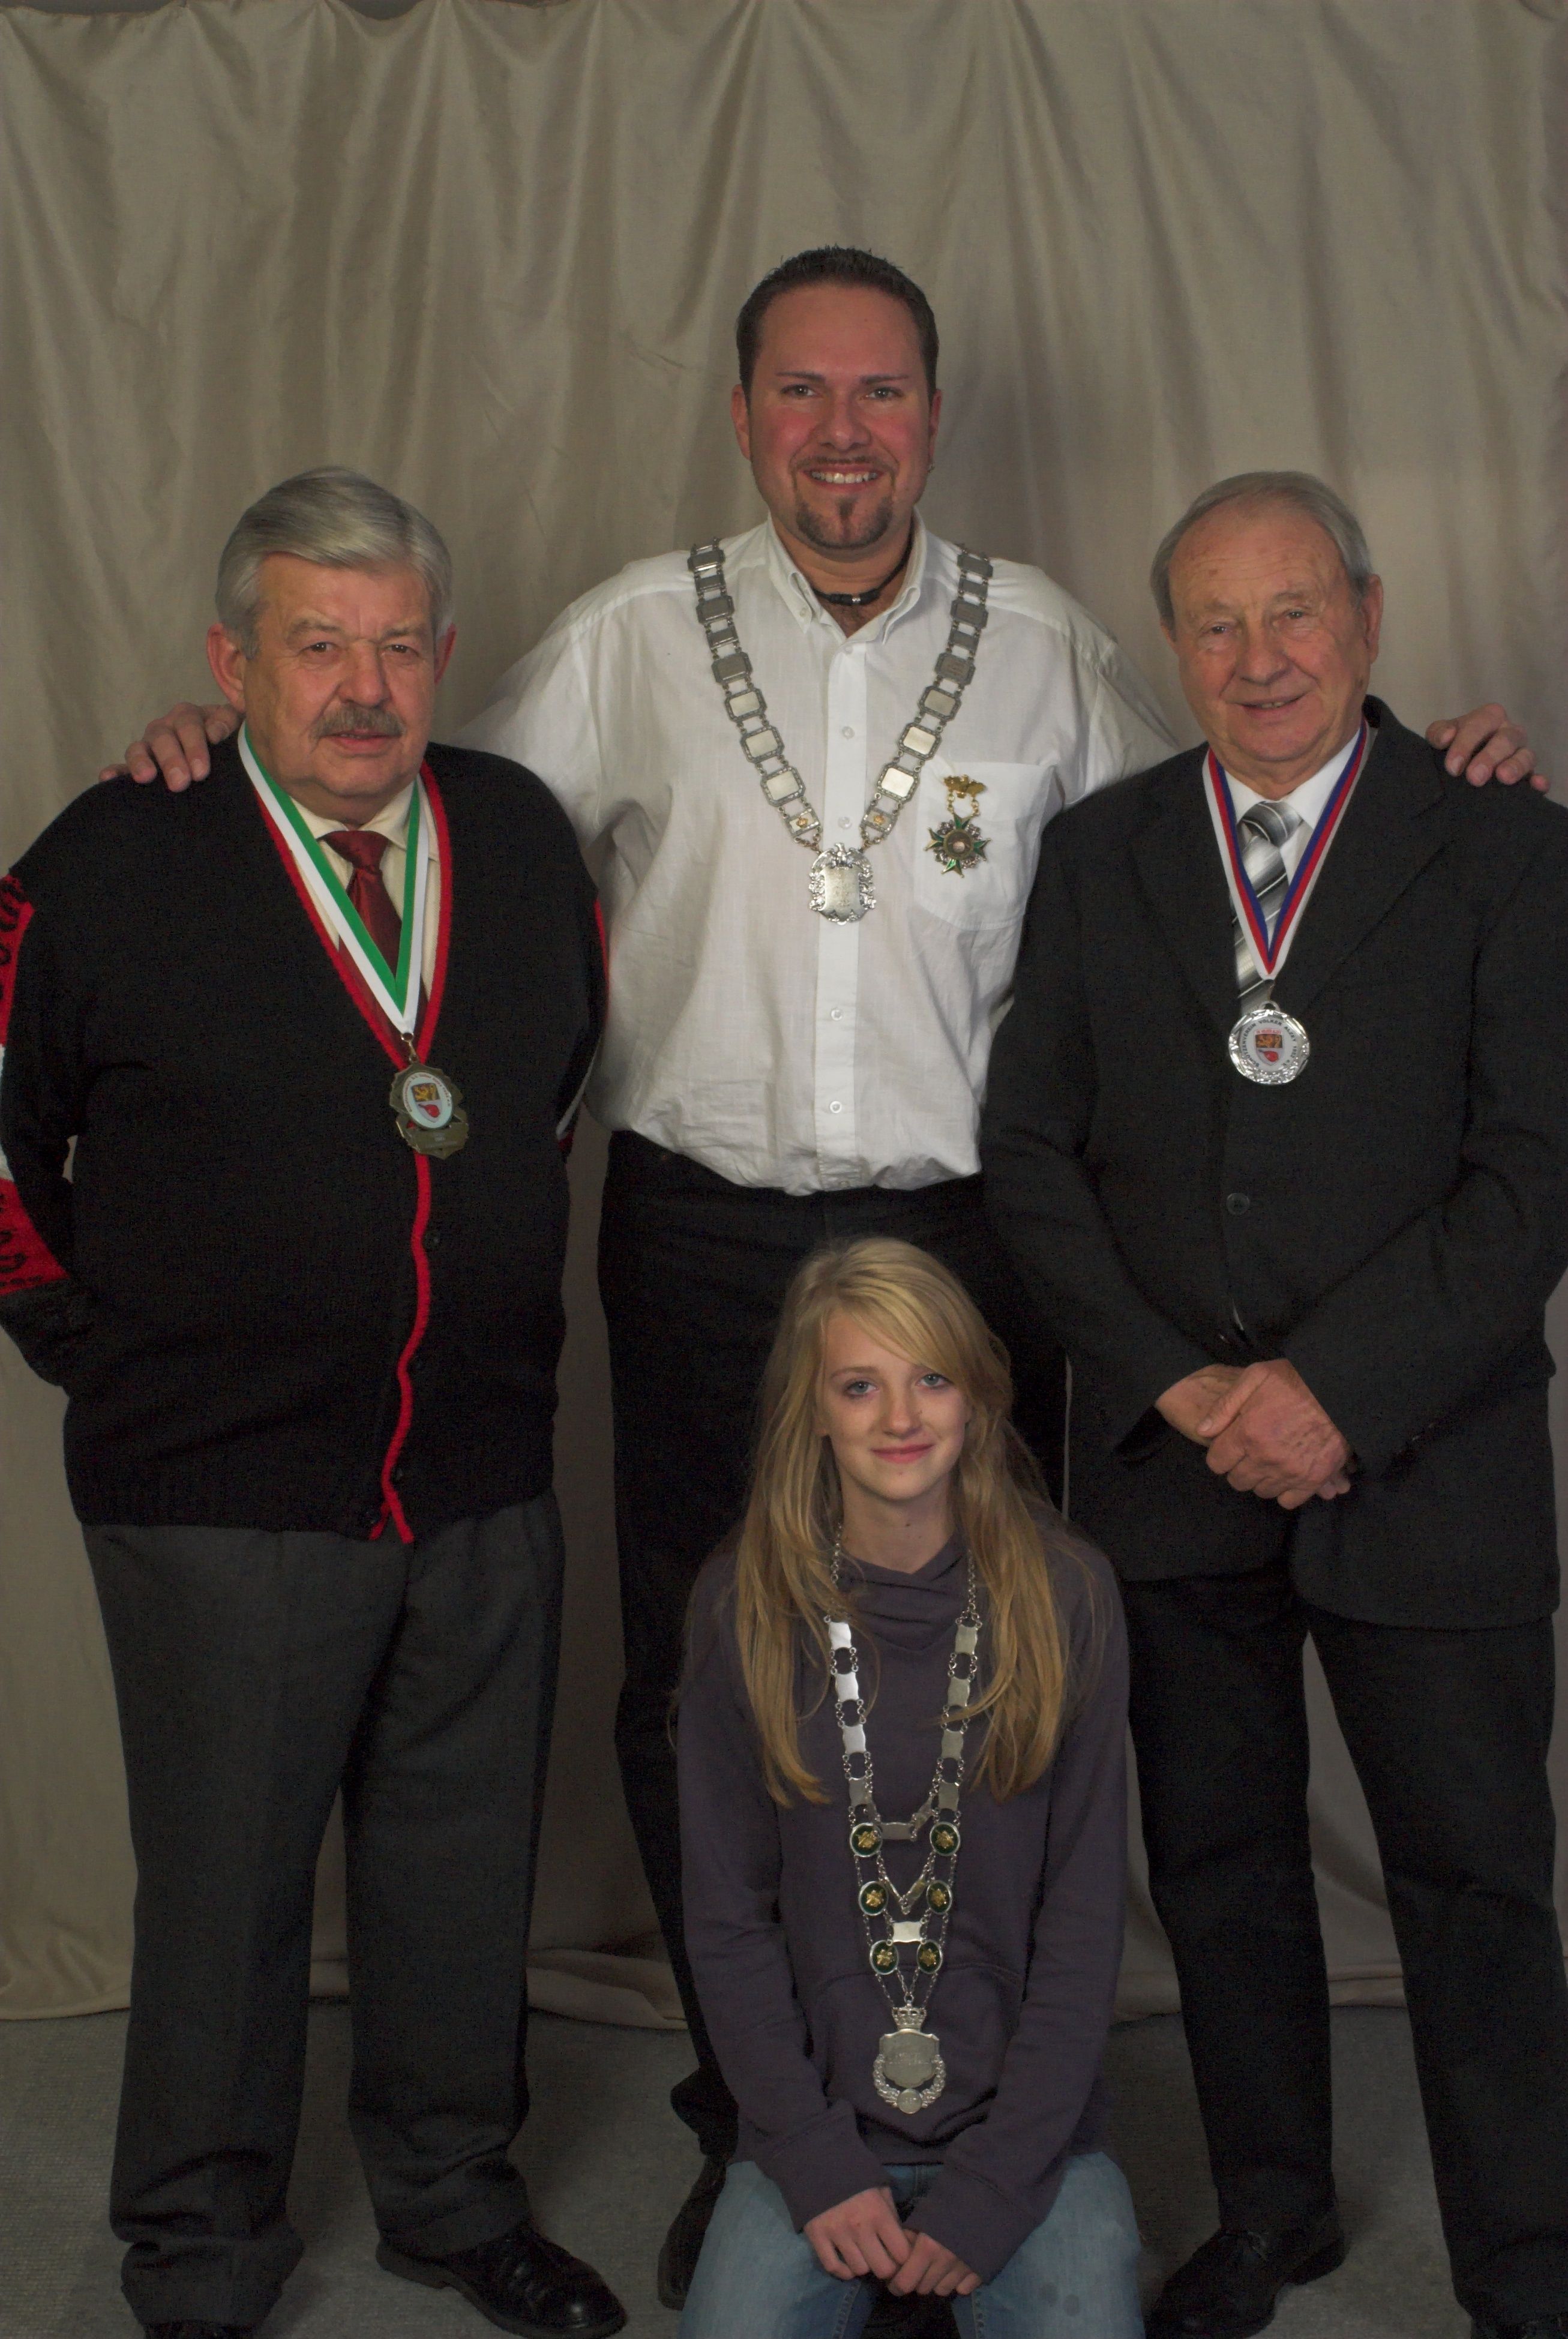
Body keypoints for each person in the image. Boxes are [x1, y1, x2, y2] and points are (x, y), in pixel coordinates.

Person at [104, 246, 1540, 2307]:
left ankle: (985, 2106)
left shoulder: (1044, 645)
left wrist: (1430, 765)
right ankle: (762, 2123)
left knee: (990, 1671)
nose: (841, 434)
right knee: (706, 1680)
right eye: (801, 392)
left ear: (931, 418)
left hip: (972, 1240)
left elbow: (1237, 832)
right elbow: (406, 799)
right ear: (743, 415)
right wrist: (220, 729)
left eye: (879, 394)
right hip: (703, 1230)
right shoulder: (626, 637)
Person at [0, 469, 625, 2339]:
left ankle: (451, 2196)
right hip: (216, 1487)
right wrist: (94, 1343)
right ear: (231, 660)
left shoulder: (517, 836)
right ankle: (197, 2248)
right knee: (226, 1890)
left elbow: (552, 1088)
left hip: (479, 1470)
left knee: (458, 1872)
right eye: (316, 644)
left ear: (442, 652)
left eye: (396, 645)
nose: (362, 687)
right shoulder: (115, 851)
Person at [982, 470, 1568, 2339]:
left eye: (1292, 611)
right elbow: (1028, 1158)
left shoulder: (1503, 845)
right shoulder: (1102, 852)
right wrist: (1182, 1386)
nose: (1257, 658)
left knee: (1471, 1878)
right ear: (1172, 645)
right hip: (1172, 1464)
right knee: (1220, 1866)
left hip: (1426, 1455)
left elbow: (1530, 1176)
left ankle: (1525, 2263)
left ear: (1366, 618)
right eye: (1215, 623)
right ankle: (1270, 2213)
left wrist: (1331, 1389)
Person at [675, 1236, 1139, 2339]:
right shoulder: (741, 1603)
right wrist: (811, 2158)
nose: (899, 1416)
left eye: (930, 1377)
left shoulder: (1068, 1592)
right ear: (813, 1409)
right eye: (858, 1385)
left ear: (976, 1396)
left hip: (1028, 2139)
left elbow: (1083, 1924)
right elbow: (728, 1921)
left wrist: (998, 2182)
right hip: (816, 2132)